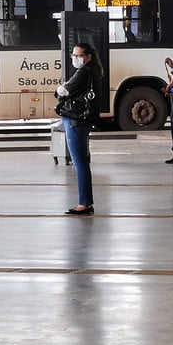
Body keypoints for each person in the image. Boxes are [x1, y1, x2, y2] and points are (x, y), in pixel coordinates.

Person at [56, 42, 103, 215]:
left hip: (75, 119)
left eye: (79, 56)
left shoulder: (84, 71)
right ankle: (86, 201)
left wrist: (59, 89)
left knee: (79, 162)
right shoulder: (94, 70)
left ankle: (84, 203)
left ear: (88, 57)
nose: (75, 59)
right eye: (73, 55)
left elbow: (64, 91)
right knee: (82, 161)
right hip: (83, 120)